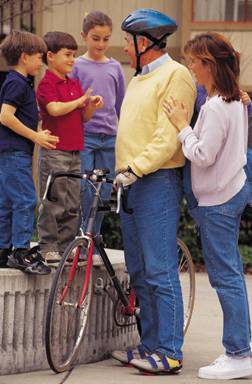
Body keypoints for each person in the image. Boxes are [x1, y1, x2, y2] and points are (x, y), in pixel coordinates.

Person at [111, 9, 196, 375]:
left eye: (128, 43)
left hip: (155, 180)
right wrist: (123, 172)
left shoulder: (176, 75)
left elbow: (166, 137)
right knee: (140, 270)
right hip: (131, 182)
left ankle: (170, 351)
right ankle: (149, 345)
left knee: (160, 270)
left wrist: (136, 168)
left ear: (142, 43)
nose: (125, 51)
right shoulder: (139, 78)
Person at [163, 32, 252, 380]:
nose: (190, 66)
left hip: (218, 202)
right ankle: (240, 350)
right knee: (228, 275)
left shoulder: (218, 106)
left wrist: (182, 127)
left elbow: (202, 154)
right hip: (227, 195)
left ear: (209, 65)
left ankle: (239, 352)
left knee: (226, 277)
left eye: (193, 61)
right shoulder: (235, 102)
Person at [36, 31, 103, 262]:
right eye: (67, 55)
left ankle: (67, 246)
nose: (72, 59)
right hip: (55, 152)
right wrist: (78, 101)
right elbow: (54, 109)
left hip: (75, 150)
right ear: (51, 56)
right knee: (54, 199)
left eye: (74, 55)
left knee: (72, 201)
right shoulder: (47, 84)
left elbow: (82, 117)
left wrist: (91, 106)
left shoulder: (73, 83)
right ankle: (48, 245)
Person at [0, 31, 58, 274]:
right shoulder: (16, 82)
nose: (41, 62)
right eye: (39, 57)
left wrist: (37, 129)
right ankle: (21, 251)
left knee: (7, 202)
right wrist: (35, 136)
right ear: (24, 57)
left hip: (11, 153)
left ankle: (4, 250)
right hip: (15, 154)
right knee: (26, 200)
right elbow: (5, 116)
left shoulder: (18, 82)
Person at [71, 11, 125, 237]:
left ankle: (94, 236)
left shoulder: (115, 67)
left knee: (103, 192)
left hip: (110, 137)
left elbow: (122, 104)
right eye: (95, 38)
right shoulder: (76, 66)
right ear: (84, 36)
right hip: (85, 135)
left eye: (106, 38)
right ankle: (79, 236)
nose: (101, 43)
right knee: (83, 189)